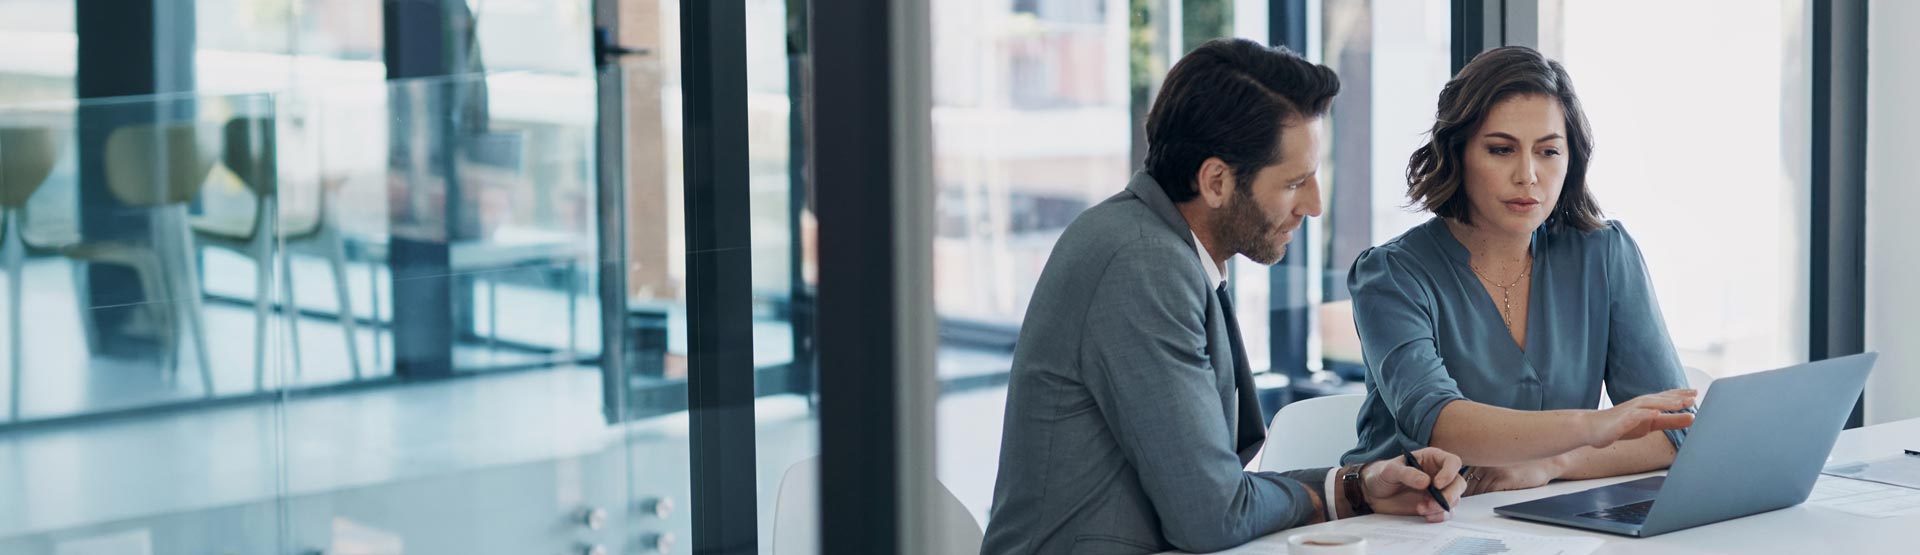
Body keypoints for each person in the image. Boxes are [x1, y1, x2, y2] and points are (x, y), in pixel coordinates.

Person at [981, 39, 1466, 555]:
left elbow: (1214, 495)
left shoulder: (1153, 243)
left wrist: (1356, 485)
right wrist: (1340, 495)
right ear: (1216, 181)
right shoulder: (1142, 263)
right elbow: (1211, 516)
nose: (1315, 205)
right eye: (1294, 182)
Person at [1340, 46, 1697, 496]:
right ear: (1458, 152)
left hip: (1546, 522)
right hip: (1408, 522)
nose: (1527, 175)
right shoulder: (1390, 275)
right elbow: (1438, 422)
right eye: (1501, 149)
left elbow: (1675, 431)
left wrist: (1554, 464)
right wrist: (1595, 425)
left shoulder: (1604, 253)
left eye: (1548, 151)